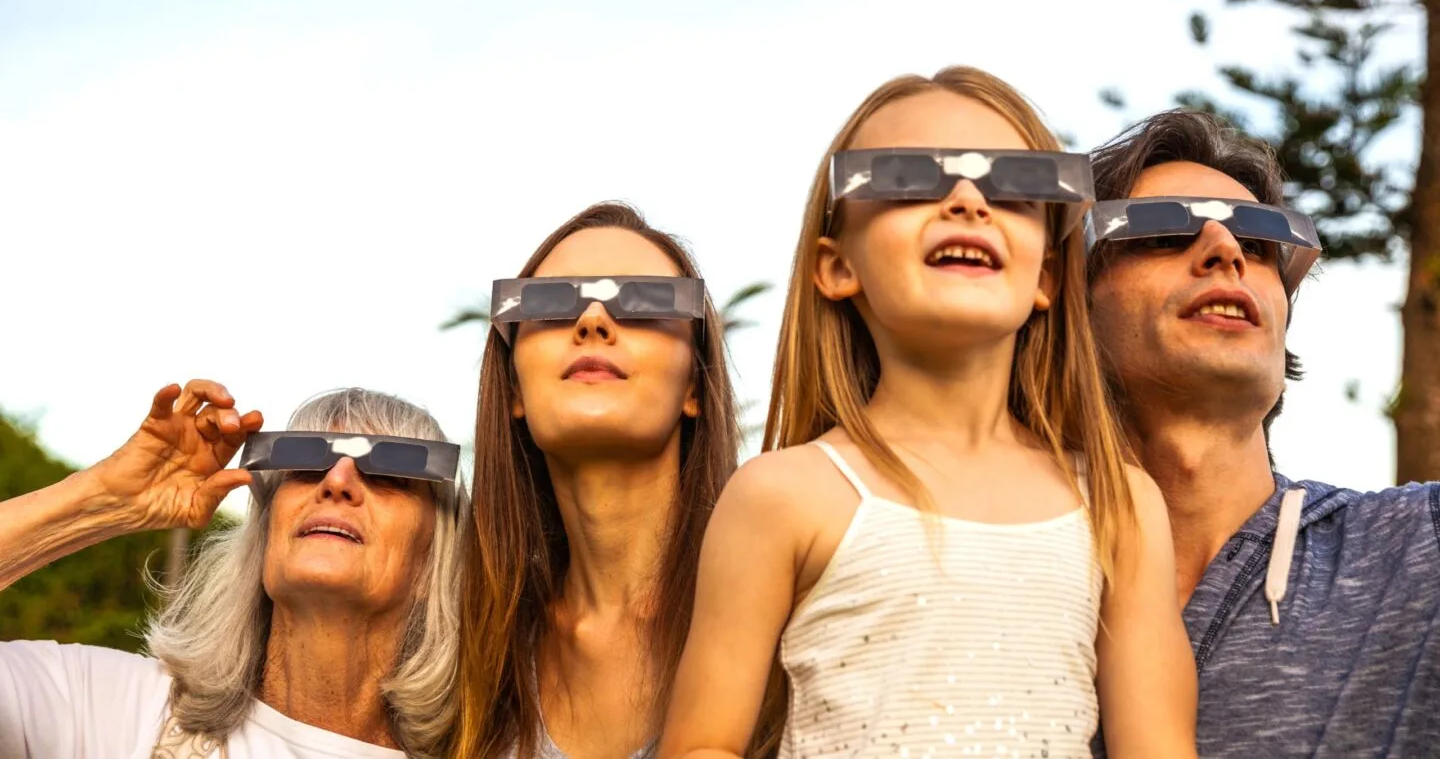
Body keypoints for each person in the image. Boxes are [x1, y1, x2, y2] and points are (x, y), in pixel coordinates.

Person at [656, 66, 1198, 759]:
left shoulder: (1121, 505)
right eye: (909, 179)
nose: (969, 200)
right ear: (836, 266)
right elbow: (704, 745)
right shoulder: (779, 496)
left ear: (1046, 278)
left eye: (1015, 188)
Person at [1085, 108, 1440, 757]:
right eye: (1164, 232)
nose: (1226, 252)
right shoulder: (989, 580)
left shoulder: (1425, 542)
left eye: (1258, 242)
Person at [0, 383, 465, 758]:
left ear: (434, 561)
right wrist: (104, 504)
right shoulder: (103, 709)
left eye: (387, 474)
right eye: (304, 464)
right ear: (263, 538)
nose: (336, 482)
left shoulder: (503, 749)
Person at [448, 203, 743, 759]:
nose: (593, 320)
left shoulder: (786, 609)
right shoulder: (462, 650)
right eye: (551, 304)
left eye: (644, 302)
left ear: (695, 388)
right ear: (513, 390)